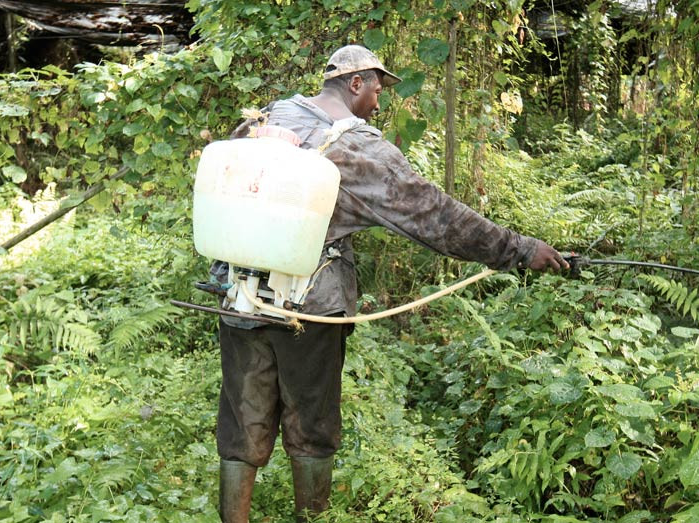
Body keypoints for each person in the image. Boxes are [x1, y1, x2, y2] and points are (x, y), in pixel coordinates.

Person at [210, 44, 568, 522]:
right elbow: (434, 215)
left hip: (239, 295)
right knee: (312, 429)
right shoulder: (356, 148)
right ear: (355, 84)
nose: (378, 103)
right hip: (310, 307)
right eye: (377, 89)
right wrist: (520, 250)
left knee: (240, 425)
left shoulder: (264, 121)